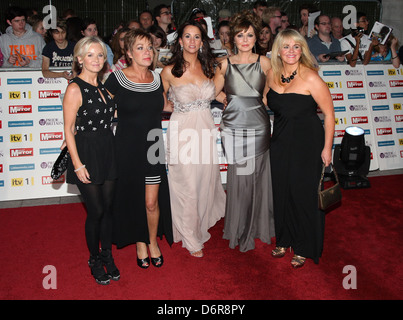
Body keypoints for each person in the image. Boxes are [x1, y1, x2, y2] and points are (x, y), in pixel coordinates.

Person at [265, 29, 335, 268]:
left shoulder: (311, 77)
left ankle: (304, 245)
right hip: (281, 142)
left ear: (303, 49)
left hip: (308, 143)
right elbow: (266, 100)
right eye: (286, 46)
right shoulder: (272, 75)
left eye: (296, 46)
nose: (291, 51)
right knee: (282, 192)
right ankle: (284, 239)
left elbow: (329, 115)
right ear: (278, 50)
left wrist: (327, 149)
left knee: (304, 195)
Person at [104, 29, 173, 268]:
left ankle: (152, 241)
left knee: (151, 202)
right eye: (140, 48)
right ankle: (140, 243)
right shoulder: (117, 78)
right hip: (127, 147)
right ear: (129, 53)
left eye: (149, 47)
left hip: (153, 144)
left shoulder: (157, 78)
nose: (147, 52)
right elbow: (101, 107)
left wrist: (196, 102)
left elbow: (165, 105)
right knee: (134, 199)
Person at [160, 20, 226, 258]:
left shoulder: (210, 68)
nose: (192, 41)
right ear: (179, 41)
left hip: (206, 129)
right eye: (187, 36)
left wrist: (226, 99)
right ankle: (189, 236)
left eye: (197, 37)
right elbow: (159, 103)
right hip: (183, 130)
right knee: (186, 183)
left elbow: (216, 93)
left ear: (202, 42)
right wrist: (180, 107)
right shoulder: (168, 71)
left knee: (203, 180)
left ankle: (198, 222)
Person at [214, 11, 274, 252]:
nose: (246, 39)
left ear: (256, 37)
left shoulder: (265, 62)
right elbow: (211, 91)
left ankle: (259, 225)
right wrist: (226, 100)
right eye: (241, 35)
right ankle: (238, 227)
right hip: (233, 127)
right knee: (240, 178)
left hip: (258, 125)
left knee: (259, 176)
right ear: (233, 39)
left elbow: (269, 96)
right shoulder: (224, 64)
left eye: (250, 35)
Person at [63, 36, 119, 285]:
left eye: (100, 55)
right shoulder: (75, 88)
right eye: (91, 55)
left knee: (107, 210)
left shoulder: (104, 87)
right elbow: (68, 129)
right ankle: (94, 258)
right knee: (95, 211)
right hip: (86, 152)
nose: (96, 59)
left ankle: (107, 254)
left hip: (108, 148)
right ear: (80, 59)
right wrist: (77, 164)